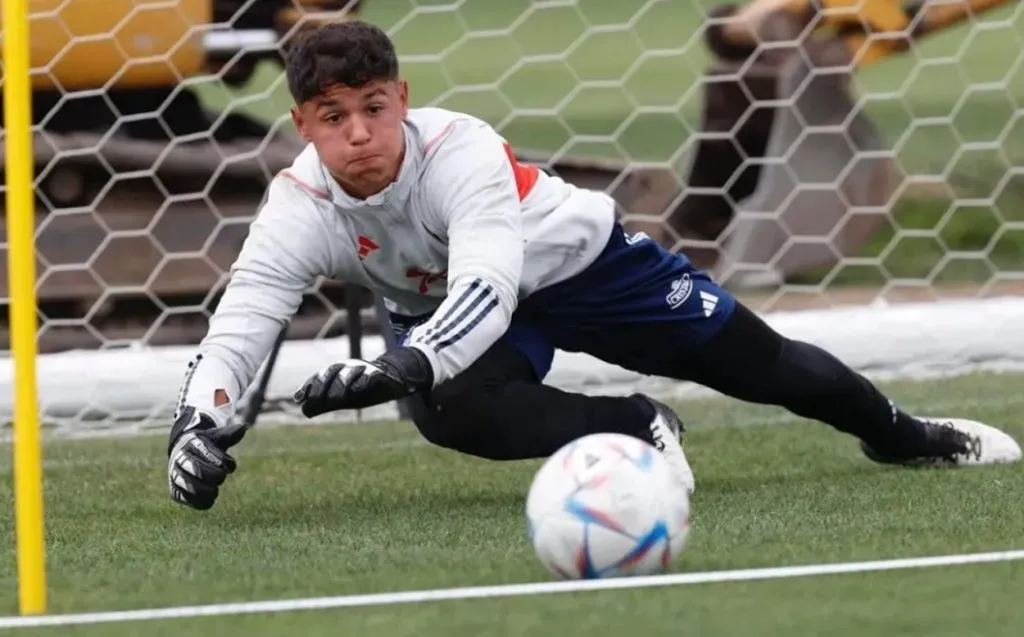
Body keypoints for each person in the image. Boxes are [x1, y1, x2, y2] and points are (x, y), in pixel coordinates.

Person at [166, 21, 1020, 511]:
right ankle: (636, 424)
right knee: (450, 410)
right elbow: (243, 319)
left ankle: (903, 435)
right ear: (303, 124)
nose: (358, 132)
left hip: (584, 266)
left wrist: (399, 362)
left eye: (374, 108)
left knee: (763, 366)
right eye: (332, 115)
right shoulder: (297, 203)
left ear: (403, 98)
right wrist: (198, 425)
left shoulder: (461, 150)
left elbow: (489, 286)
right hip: (450, 316)